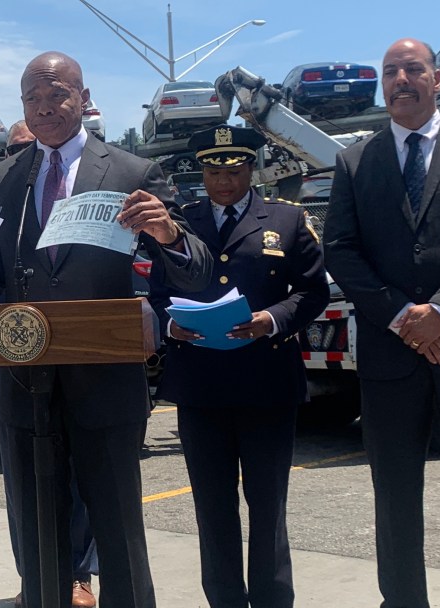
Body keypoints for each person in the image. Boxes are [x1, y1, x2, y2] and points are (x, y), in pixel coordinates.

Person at [0, 52, 212, 608]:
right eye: (32, 99)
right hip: (24, 386)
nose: (44, 108)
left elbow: (196, 270)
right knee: (40, 534)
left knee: (118, 533)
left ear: (83, 99)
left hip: (105, 385)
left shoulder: (134, 173)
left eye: (55, 95)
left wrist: (168, 236)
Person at [323, 38, 440, 608]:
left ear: (437, 80)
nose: (401, 79)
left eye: (413, 69)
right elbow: (341, 249)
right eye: (391, 72)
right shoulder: (355, 160)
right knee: (394, 496)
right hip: (391, 357)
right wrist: (407, 318)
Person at [149, 124, 329, 608]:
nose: (223, 181)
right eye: (213, 170)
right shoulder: (178, 222)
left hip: (266, 383)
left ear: (252, 168)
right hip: (201, 386)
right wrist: (172, 326)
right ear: (201, 172)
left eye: (233, 169)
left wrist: (271, 319)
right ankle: (224, 600)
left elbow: (314, 292)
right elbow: (159, 292)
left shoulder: (288, 220)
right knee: (212, 508)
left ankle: (273, 601)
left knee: (268, 506)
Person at [0, 117, 100, 608]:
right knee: (21, 480)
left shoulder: (75, 194)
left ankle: (78, 576)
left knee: (79, 474)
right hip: (6, 362)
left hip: (78, 353)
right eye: (17, 149)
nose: (27, 155)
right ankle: (35, 577)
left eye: (33, 147)